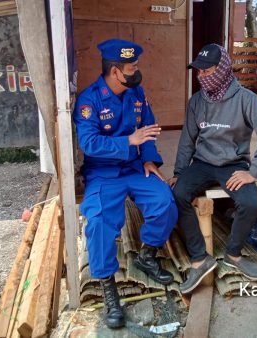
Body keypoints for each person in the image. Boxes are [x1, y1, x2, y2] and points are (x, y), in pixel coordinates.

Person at [74, 39, 178, 329]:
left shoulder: (137, 93)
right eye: (132, 67)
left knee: (164, 201)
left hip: (134, 167)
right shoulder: (89, 100)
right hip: (103, 172)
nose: (137, 71)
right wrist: (127, 141)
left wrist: (148, 159)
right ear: (116, 71)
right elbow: (89, 143)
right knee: (99, 221)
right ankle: (108, 286)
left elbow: (148, 129)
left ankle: (146, 255)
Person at [168, 43, 257, 294]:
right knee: (177, 194)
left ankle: (233, 254)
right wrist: (178, 172)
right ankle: (200, 259)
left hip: (233, 165)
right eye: (199, 72)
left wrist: (253, 172)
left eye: (207, 72)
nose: (201, 77)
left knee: (249, 203)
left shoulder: (246, 99)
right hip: (203, 163)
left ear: (223, 70)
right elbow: (187, 139)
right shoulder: (196, 101)